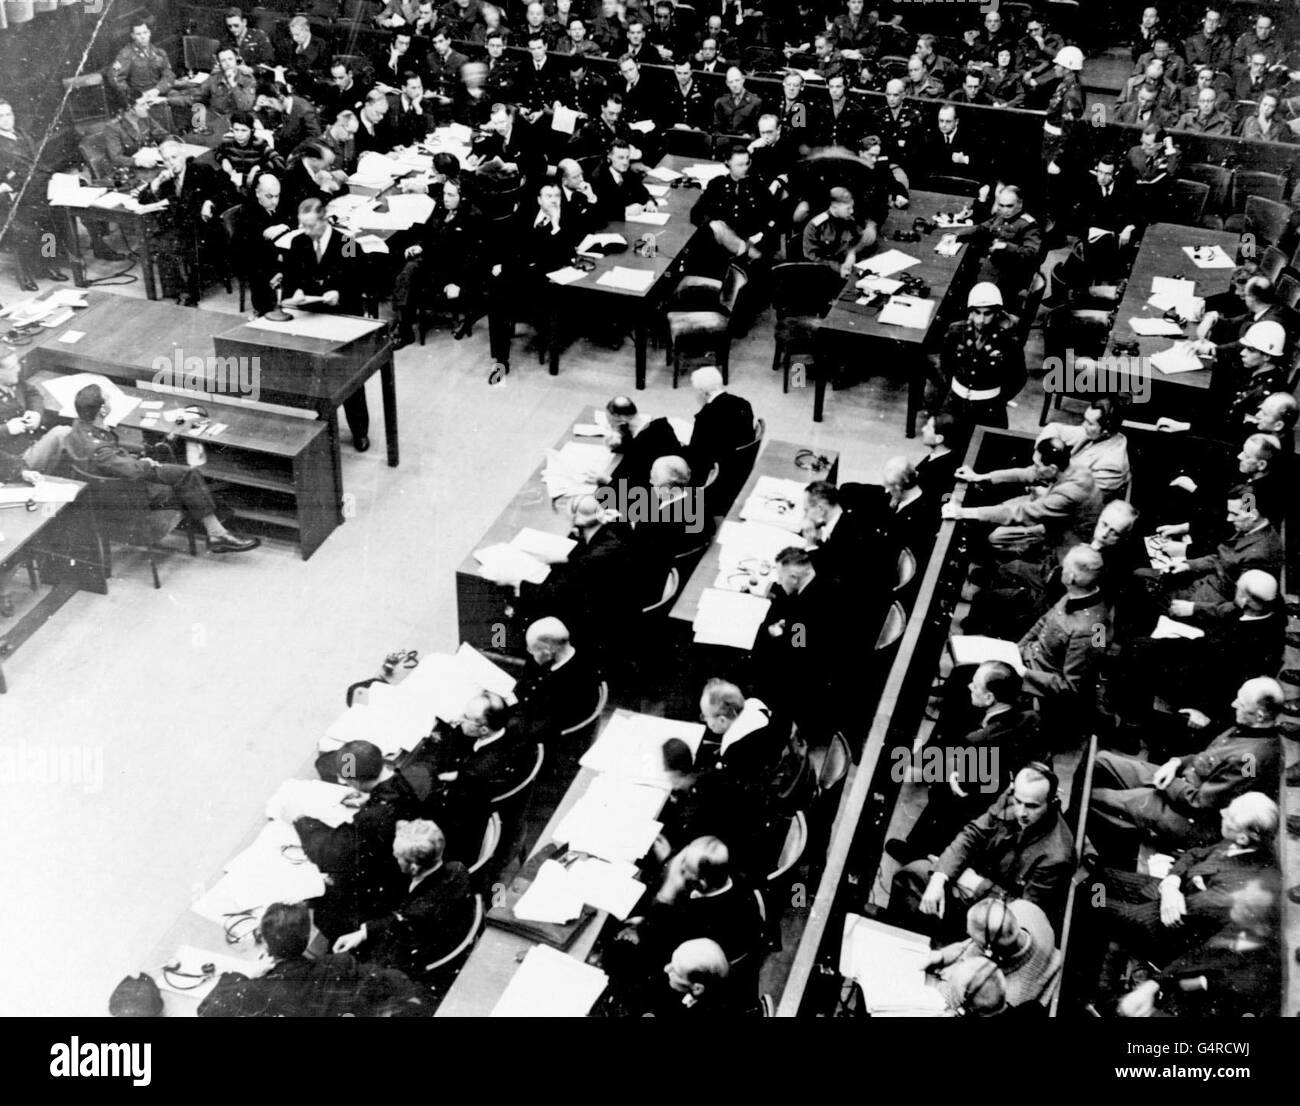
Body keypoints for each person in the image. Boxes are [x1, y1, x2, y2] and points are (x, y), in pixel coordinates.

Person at [1086, 677, 1285, 866]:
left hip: (1195, 820)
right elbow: (1208, 758)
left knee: (1096, 798)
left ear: (1260, 715)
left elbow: (1199, 804)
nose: (1233, 704)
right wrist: (1175, 763)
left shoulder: (1251, 759)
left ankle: (1105, 858)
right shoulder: (1249, 728)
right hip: (1181, 784)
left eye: (1241, 703)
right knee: (1101, 761)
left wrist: (1168, 781)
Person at [65, 383, 258, 553]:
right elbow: (131, 470)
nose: (110, 399)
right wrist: (147, 463)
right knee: (188, 476)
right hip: (133, 495)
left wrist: (139, 460)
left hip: (116, 487)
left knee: (176, 465)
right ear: (102, 410)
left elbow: (115, 461)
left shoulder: (79, 429)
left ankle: (219, 525)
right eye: (106, 399)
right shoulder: (100, 448)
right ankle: (217, 534)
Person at [889, 764, 1075, 940]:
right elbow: (974, 833)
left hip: (995, 918)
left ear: (1052, 802)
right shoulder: (1011, 798)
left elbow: (1026, 915)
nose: (1021, 812)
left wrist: (977, 884)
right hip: (975, 881)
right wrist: (940, 877)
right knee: (911, 875)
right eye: (1018, 801)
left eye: (1032, 806)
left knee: (916, 883)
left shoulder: (1056, 856)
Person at [888, 661, 1044, 865]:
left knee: (941, 788)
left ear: (990, 698)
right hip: (1006, 780)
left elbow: (961, 789)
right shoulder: (1030, 717)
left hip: (986, 798)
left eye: (976, 685)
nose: (970, 686)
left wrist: (952, 775)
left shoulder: (977, 741)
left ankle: (918, 849)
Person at [197, 901, 424, 1017]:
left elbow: (207, 1009)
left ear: (266, 944)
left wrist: (246, 975)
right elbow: (394, 980)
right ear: (308, 937)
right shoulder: (339, 965)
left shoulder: (259, 989)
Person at [331, 819, 476, 980]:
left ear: (414, 867)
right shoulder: (457, 869)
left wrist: (364, 935)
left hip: (405, 966)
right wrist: (365, 931)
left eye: (398, 857)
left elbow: (404, 923)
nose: (395, 858)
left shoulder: (417, 914)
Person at [946, 439, 1102, 559]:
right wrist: (979, 477)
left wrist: (963, 512)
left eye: (1037, 465)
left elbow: (1020, 513)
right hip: (1056, 513)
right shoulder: (1066, 465)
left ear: (1052, 468)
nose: (1034, 468)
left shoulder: (1069, 493)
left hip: (1066, 535)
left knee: (996, 537)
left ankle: (1018, 563)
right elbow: (1027, 474)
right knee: (998, 512)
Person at [927, 897, 1061, 1013]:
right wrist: (941, 956)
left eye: (973, 937)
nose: (968, 932)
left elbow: (950, 1001)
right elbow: (971, 945)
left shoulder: (1004, 993)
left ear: (988, 952)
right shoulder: (1026, 909)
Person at [392, 177, 478, 348]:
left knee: (409, 272)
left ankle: (403, 326)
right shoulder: (441, 207)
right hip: (432, 261)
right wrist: (420, 246)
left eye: (451, 195)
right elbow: (428, 232)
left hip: (452, 270)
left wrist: (458, 283)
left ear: (463, 197)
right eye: (444, 193)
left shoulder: (472, 217)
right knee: (406, 269)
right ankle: (403, 323)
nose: (445, 198)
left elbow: (473, 257)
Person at [936, 282, 1026, 435]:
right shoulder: (956, 332)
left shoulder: (1008, 341)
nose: (980, 320)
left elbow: (1018, 377)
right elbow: (946, 363)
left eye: (987, 314)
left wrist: (998, 399)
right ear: (970, 312)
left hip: (989, 408)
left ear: (997, 313)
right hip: (954, 403)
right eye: (976, 312)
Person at [513, 616, 603, 747]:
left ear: (548, 651)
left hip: (546, 740)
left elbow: (541, 730)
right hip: (528, 715)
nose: (530, 654)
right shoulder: (546, 657)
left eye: (532, 650)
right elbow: (524, 684)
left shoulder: (576, 685)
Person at [690, 144, 777, 271]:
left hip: (753, 242)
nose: (745, 168)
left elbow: (775, 215)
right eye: (740, 165)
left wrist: (761, 235)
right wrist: (716, 228)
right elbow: (696, 214)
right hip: (722, 248)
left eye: (747, 163)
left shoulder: (758, 186)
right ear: (728, 163)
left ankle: (746, 253)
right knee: (716, 228)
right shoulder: (717, 184)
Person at [686, 365, 754, 509]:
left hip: (715, 473)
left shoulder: (706, 416)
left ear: (702, 392)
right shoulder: (743, 403)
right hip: (736, 466)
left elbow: (695, 457)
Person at [963, 186, 1042, 301]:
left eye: (1009, 206)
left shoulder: (1029, 225)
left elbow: (1032, 253)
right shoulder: (1001, 215)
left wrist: (1007, 246)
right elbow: (982, 227)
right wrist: (955, 233)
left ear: (1020, 204)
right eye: (1001, 205)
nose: (1004, 210)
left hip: (1009, 274)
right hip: (991, 264)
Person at [230, 172, 290, 315]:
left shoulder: (272, 203)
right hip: (250, 257)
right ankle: (264, 310)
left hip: (269, 251)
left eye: (277, 196)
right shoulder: (249, 212)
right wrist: (278, 256)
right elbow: (252, 247)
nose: (275, 201)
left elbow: (290, 219)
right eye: (269, 196)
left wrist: (281, 227)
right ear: (257, 193)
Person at [604, 395, 681, 495]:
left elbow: (631, 488)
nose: (611, 427)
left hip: (655, 497)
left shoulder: (640, 446)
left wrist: (606, 480)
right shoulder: (661, 426)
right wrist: (619, 443)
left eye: (611, 424)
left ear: (621, 421)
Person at [801, 187, 874, 288]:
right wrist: (839, 268)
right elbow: (811, 258)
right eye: (848, 208)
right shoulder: (816, 226)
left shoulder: (850, 221)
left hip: (846, 273)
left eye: (852, 207)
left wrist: (852, 252)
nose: (852, 211)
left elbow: (860, 242)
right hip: (822, 276)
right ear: (835, 207)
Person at [589, 139, 654, 222]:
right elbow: (601, 210)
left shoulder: (627, 172)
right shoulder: (599, 177)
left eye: (627, 158)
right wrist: (627, 211)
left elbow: (643, 193)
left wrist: (649, 202)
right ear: (609, 158)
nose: (625, 162)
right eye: (621, 158)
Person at [712, 67, 763, 136]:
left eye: (737, 80)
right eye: (731, 82)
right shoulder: (720, 102)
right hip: (724, 141)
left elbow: (758, 129)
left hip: (745, 141)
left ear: (743, 79)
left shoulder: (755, 102)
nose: (734, 85)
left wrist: (750, 136)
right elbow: (716, 128)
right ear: (727, 83)